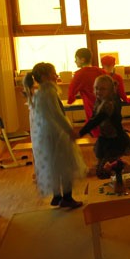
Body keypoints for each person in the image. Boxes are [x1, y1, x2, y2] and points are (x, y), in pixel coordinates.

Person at [23, 62, 86, 209]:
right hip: (56, 134)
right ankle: (67, 198)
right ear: (44, 76)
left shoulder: (39, 93)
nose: (56, 75)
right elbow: (58, 114)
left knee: (54, 165)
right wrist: (70, 131)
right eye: (53, 72)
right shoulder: (49, 92)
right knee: (66, 165)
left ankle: (57, 196)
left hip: (45, 135)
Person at [77, 75, 130, 178]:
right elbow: (93, 118)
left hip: (115, 141)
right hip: (104, 139)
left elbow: (97, 120)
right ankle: (118, 172)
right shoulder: (99, 101)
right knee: (105, 169)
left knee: (105, 170)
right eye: (97, 88)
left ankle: (119, 174)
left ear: (110, 90)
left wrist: (80, 133)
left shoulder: (109, 104)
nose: (99, 91)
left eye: (103, 89)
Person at [67, 48, 105, 137]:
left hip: (92, 107)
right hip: (105, 106)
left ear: (82, 59)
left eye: (76, 59)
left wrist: (70, 100)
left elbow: (71, 93)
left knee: (95, 130)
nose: (75, 61)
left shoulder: (79, 74)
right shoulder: (101, 71)